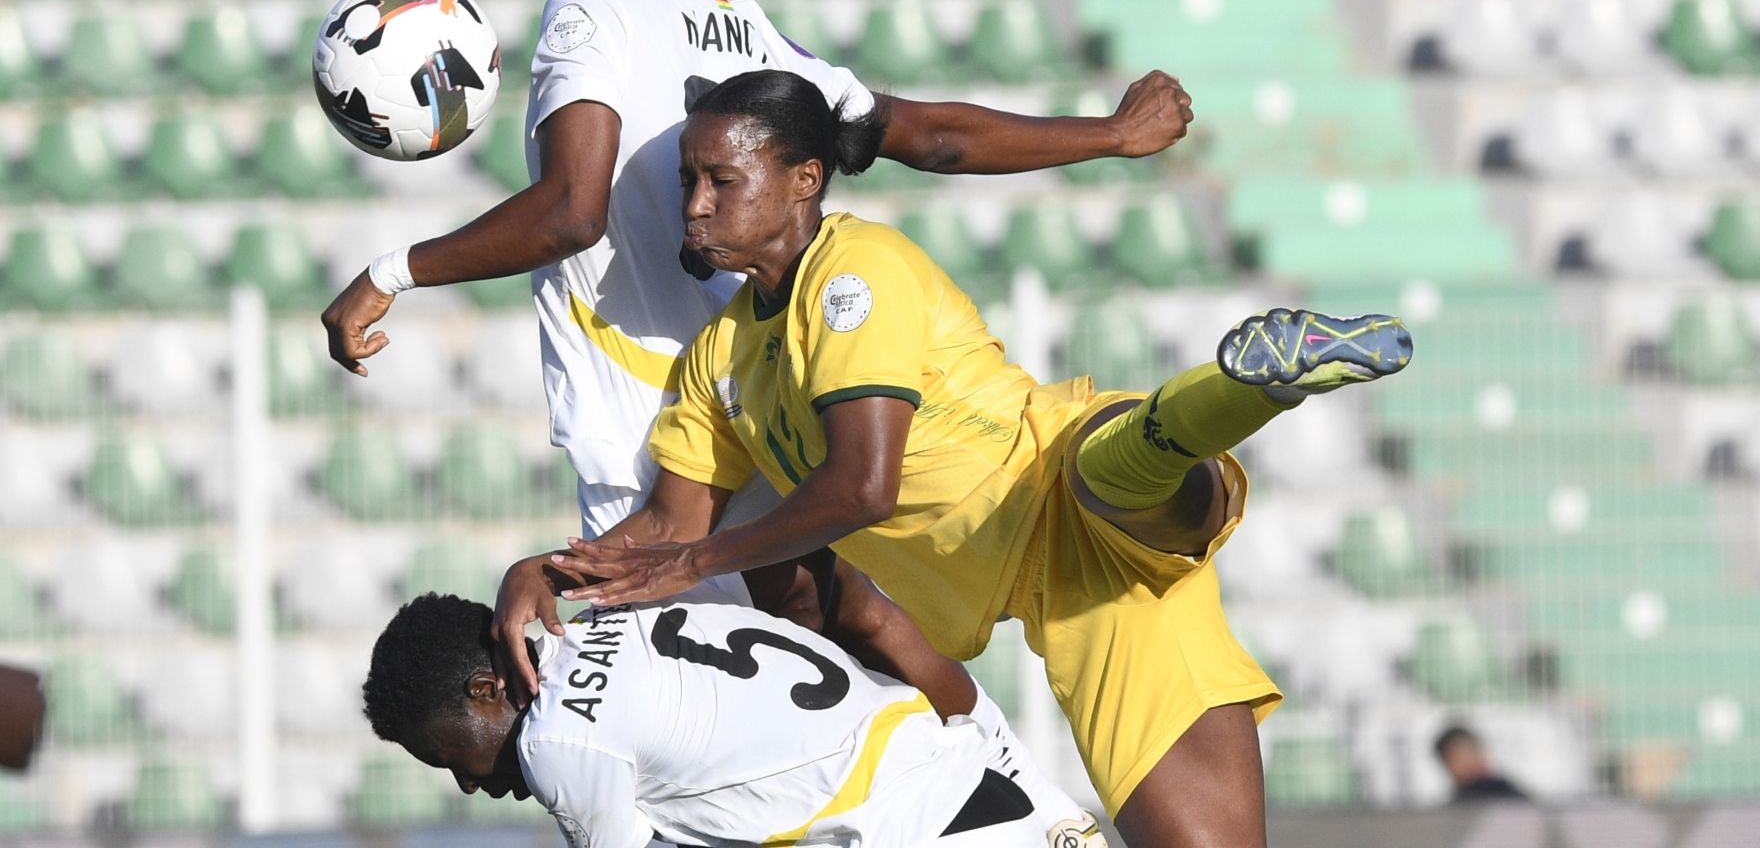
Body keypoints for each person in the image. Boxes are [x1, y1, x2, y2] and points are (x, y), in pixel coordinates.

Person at [320, 0, 1182, 832]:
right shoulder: (760, 41)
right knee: (837, 660)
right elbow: (929, 136)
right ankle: (1026, 807)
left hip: (654, 437)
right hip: (764, 415)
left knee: (720, 764)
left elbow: (570, 213)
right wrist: (1105, 134)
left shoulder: (590, 12)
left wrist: (390, 270)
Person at [540, 70, 1414, 847]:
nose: (692, 204)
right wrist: (545, 576)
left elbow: (862, 486)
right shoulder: (718, 361)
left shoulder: (853, 272)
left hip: (1053, 475)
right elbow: (663, 526)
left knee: (1107, 477)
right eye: (688, 180)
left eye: (719, 180)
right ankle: (1237, 394)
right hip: (1076, 601)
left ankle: (1252, 385)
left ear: (803, 180)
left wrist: (693, 560)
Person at [363, 592, 1101, 846]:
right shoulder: (618, 618)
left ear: (489, 689)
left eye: (451, 756)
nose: (466, 783)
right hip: (978, 776)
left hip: (915, 828)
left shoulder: (559, 739)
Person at [1433, 724, 1529, 804]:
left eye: (1464, 756)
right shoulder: (1457, 802)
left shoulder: (1506, 794)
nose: (1466, 764)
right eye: (1454, 760)